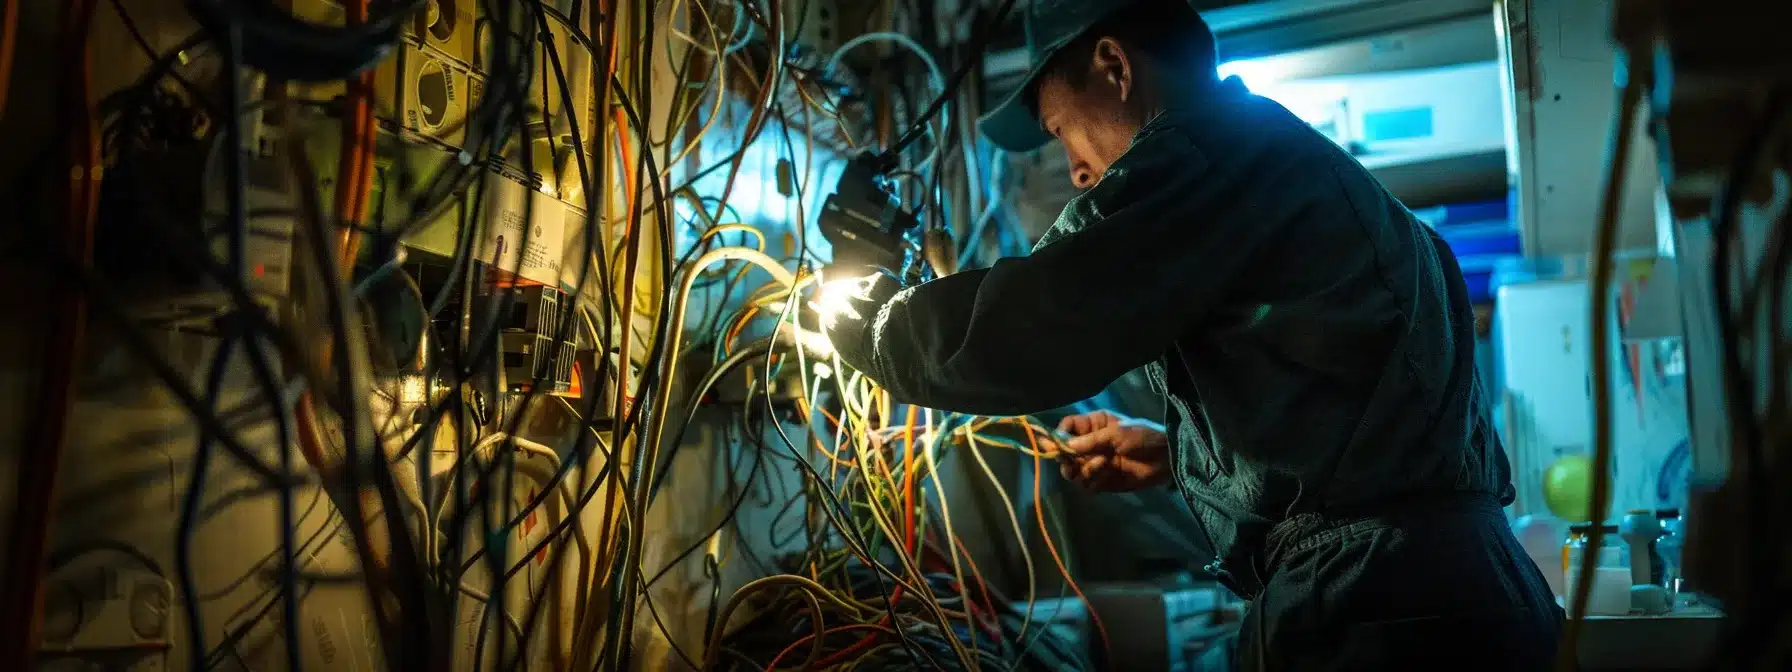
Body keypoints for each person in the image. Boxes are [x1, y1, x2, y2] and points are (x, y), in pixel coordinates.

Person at [820, 0, 1564, 669]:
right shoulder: (1287, 164)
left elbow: (1030, 325)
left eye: (1060, 133)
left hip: (1374, 612)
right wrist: (1173, 452)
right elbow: (1345, 417)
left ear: (1113, 67)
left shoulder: (1201, 156)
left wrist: (863, 315)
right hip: (1472, 592)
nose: (1076, 173)